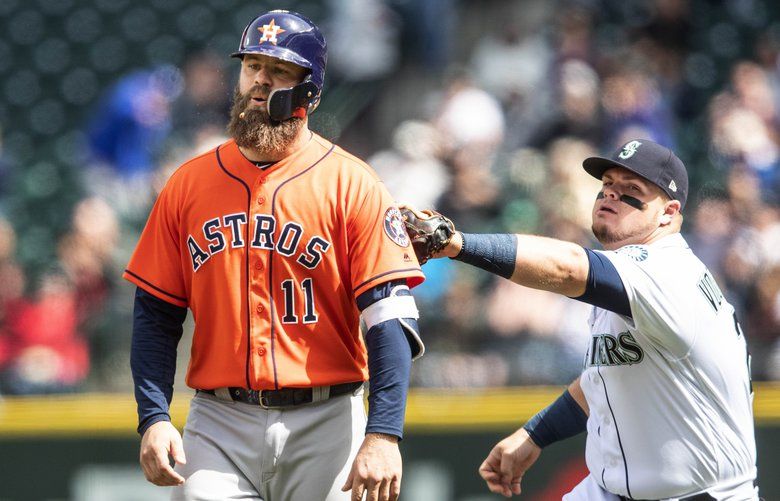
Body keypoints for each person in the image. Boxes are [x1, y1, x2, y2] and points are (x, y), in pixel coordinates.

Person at [124, 10, 425, 501]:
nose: (259, 83)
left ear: (311, 90)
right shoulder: (188, 184)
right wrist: (154, 417)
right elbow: (156, 314)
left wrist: (385, 432)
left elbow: (389, 320)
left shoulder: (352, 184)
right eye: (251, 68)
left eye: (279, 71)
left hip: (327, 420)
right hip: (219, 422)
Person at [406, 139, 758, 500]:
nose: (611, 195)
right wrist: (535, 434)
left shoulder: (667, 271)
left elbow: (568, 267)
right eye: (607, 185)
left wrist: (454, 243)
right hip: (616, 489)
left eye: (631, 189)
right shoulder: (632, 273)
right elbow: (605, 376)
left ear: (668, 213)